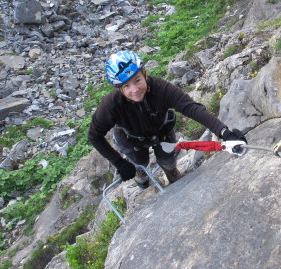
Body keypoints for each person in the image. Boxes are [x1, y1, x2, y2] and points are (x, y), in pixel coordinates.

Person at [88, 50, 246, 188]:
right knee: (140, 163)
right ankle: (141, 177)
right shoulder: (111, 105)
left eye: (137, 80)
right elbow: (94, 135)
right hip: (131, 139)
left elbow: (190, 108)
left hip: (161, 132)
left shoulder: (160, 89)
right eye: (126, 86)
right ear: (119, 88)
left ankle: (172, 176)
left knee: (168, 161)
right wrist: (119, 163)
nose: (135, 90)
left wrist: (224, 133)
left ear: (144, 74)